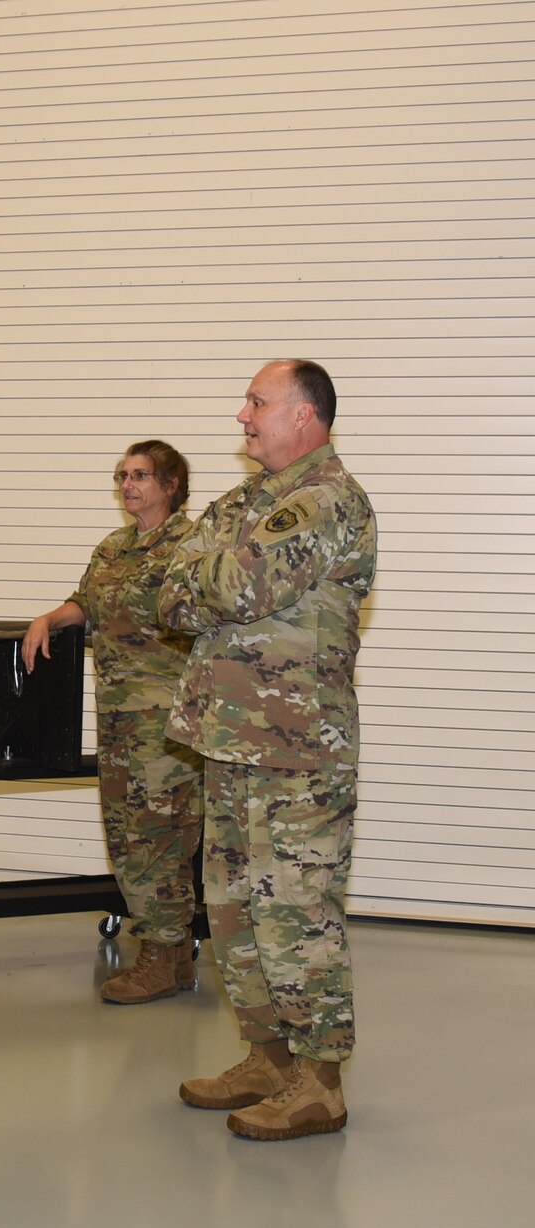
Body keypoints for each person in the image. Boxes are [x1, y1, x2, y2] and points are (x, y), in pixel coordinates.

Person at [158, 360, 376, 1141]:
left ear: (305, 416)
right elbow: (169, 583)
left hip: (298, 750)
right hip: (231, 739)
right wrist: (200, 571)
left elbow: (237, 589)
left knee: (295, 912)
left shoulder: (325, 502)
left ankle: (319, 1082)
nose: (242, 415)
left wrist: (203, 570)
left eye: (257, 402)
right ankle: (269, 1057)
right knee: (233, 907)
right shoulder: (252, 499)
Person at [23, 440, 205, 1004]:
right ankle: (171, 960)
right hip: (119, 716)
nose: (128, 485)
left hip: (167, 719)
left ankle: (161, 954)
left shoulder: (193, 545)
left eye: (141, 476)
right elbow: (88, 603)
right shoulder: (113, 547)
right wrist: (50, 618)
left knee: (160, 835)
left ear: (171, 485)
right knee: (127, 834)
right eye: (122, 476)